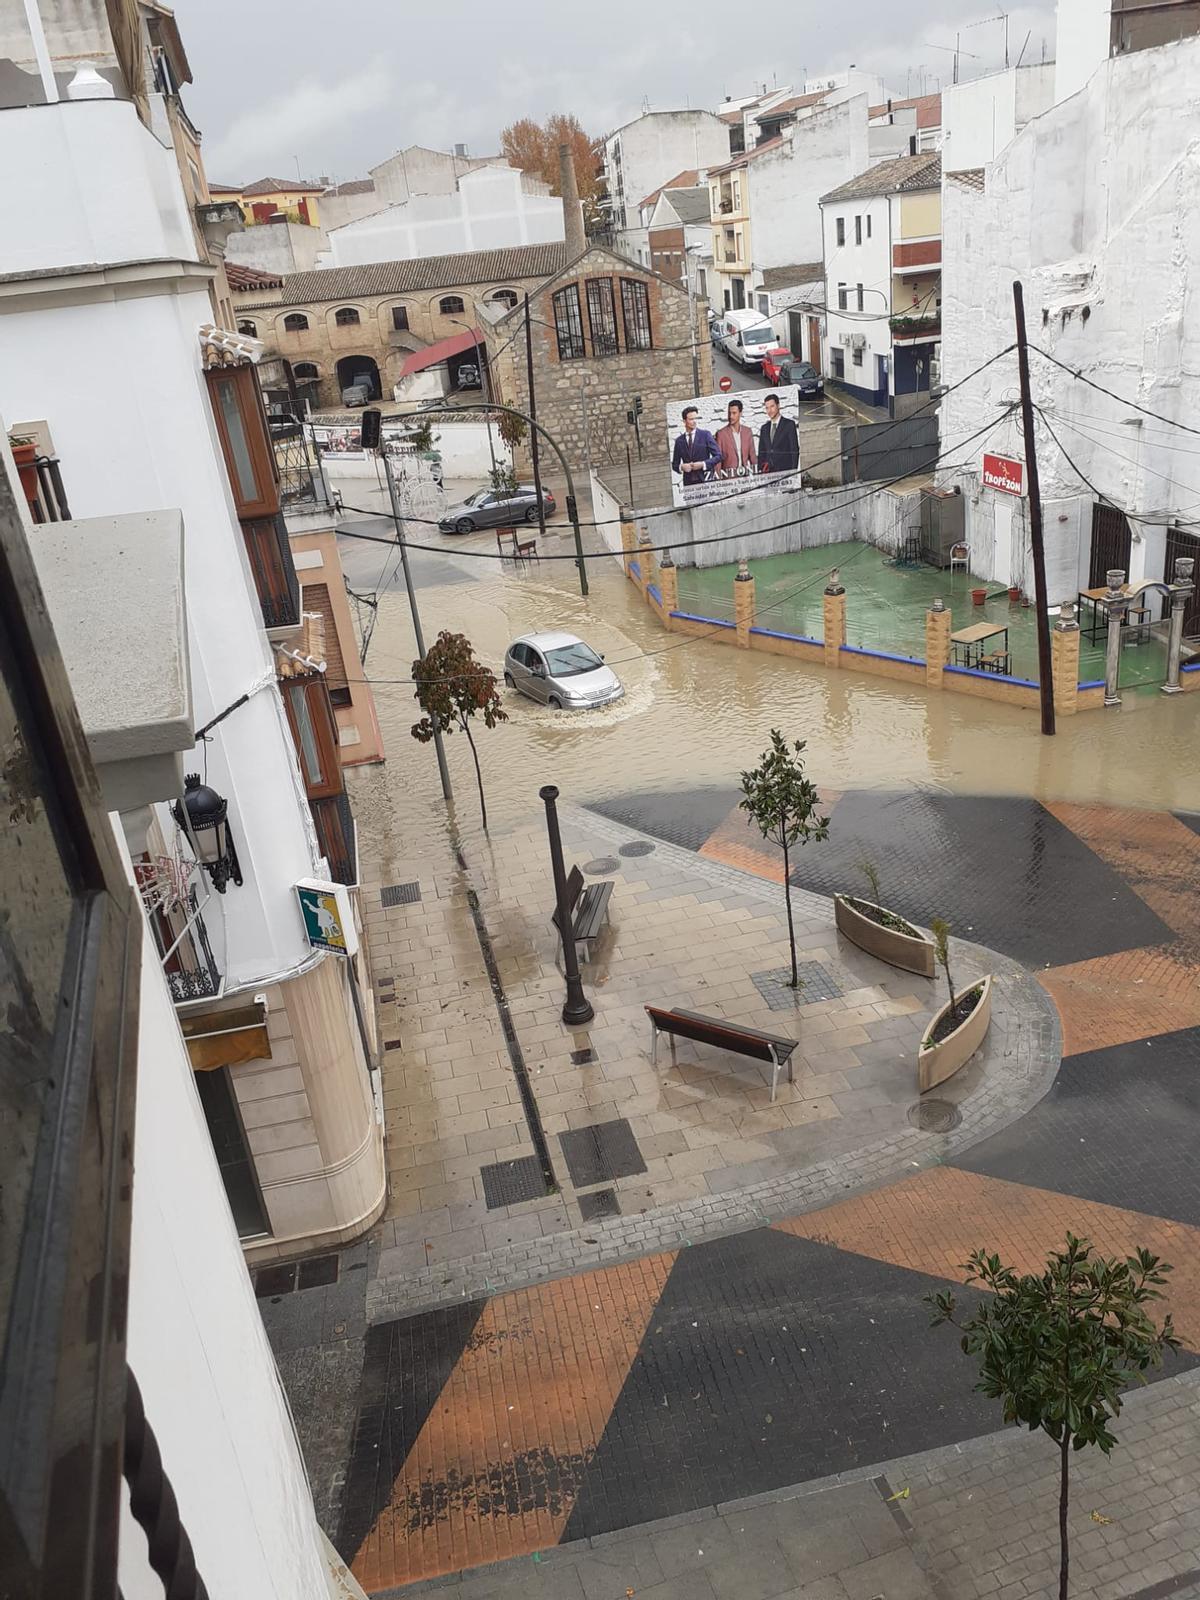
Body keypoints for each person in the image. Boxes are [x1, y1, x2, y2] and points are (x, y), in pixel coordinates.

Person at [671, 405, 720, 488]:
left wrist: (703, 464)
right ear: (684, 421)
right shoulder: (679, 441)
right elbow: (675, 464)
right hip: (689, 484)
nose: (694, 421)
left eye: (695, 419)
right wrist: (681, 467)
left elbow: (719, 456)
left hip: (706, 480)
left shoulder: (705, 435)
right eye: (691, 419)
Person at [757, 392, 800, 474]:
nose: (770, 410)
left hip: (786, 473)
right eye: (767, 408)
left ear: (778, 405)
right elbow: (761, 452)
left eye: (772, 406)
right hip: (769, 475)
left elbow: (794, 450)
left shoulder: (789, 425)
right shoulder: (764, 428)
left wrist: (793, 473)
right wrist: (761, 471)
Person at [714, 399, 757, 475]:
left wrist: (758, 477)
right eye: (729, 413)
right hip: (729, 480)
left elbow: (753, 458)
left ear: (740, 413)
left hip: (745, 478)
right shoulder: (721, 434)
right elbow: (717, 462)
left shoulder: (747, 432)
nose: (731, 416)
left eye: (734, 413)